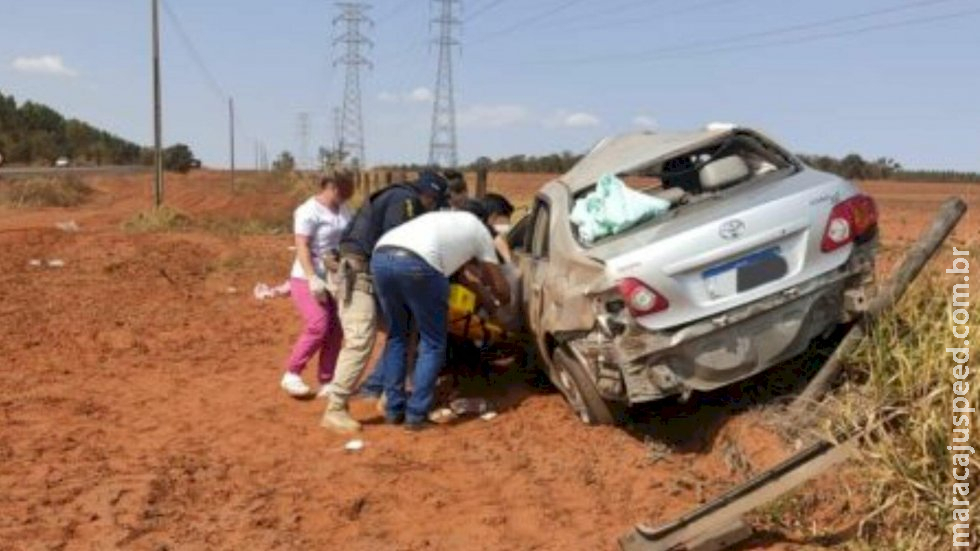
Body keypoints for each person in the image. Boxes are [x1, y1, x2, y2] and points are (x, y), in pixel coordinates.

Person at [319, 171, 448, 433]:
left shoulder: (398, 195)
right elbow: (397, 241)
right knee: (360, 339)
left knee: (402, 330)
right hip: (359, 273)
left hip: (369, 271)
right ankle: (335, 408)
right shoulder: (406, 200)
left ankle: (391, 398)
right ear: (430, 196)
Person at [370, 210, 511, 431]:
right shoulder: (481, 233)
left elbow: (467, 278)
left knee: (398, 336)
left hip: (381, 256)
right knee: (432, 342)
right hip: (421, 263)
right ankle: (416, 415)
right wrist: (504, 306)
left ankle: (394, 410)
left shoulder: (448, 223)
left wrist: (487, 300)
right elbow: (500, 286)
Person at [280, 172, 354, 397]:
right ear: (332, 185)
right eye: (345, 188)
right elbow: (302, 246)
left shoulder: (344, 210)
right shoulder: (308, 211)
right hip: (306, 277)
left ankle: (327, 380)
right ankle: (292, 373)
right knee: (318, 324)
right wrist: (312, 277)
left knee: (335, 329)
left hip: (335, 277)